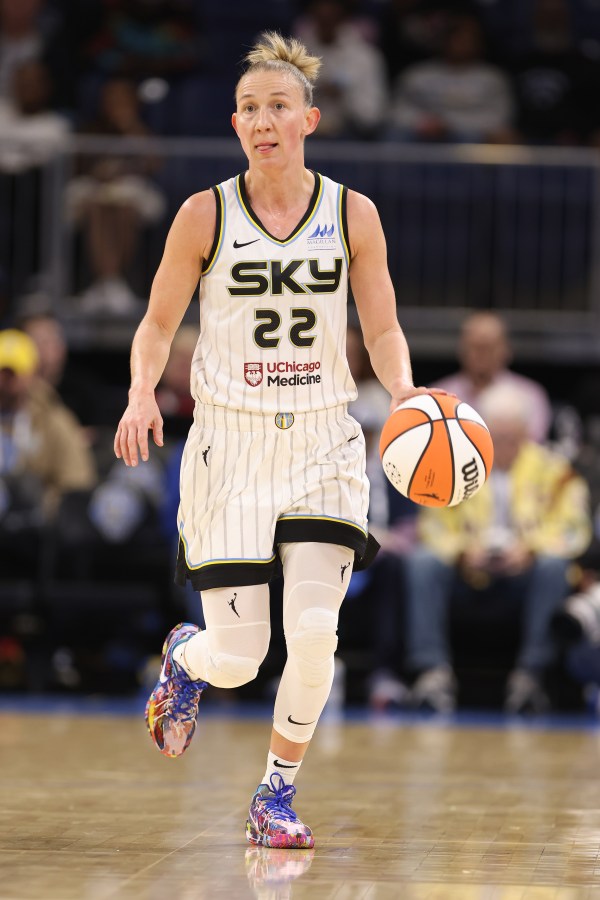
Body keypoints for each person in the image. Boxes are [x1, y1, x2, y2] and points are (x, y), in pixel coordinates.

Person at [114, 31, 434, 849]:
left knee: (318, 631)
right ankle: (187, 658)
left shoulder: (351, 213)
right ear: (235, 125)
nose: (264, 119)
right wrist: (141, 390)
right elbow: (157, 324)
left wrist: (403, 394)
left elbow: (385, 325)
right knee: (240, 657)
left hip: (326, 440)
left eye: (278, 106)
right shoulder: (203, 214)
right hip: (230, 444)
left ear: (309, 120)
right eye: (250, 108)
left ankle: (274, 796)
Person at [403, 383, 591, 715]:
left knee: (553, 566)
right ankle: (432, 673)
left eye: (511, 438)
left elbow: (574, 529)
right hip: (466, 575)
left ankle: (531, 677)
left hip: (524, 578)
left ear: (526, 433)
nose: (503, 446)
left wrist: (530, 550)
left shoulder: (555, 471)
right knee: (422, 562)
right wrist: (462, 552)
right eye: (496, 437)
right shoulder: (452, 462)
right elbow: (430, 524)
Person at [386, 13, 514, 144]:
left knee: (501, 137)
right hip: (423, 135)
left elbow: (499, 117)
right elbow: (398, 111)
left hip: (472, 137)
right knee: (395, 134)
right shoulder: (418, 74)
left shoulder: (492, 78)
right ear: (444, 40)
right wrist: (423, 123)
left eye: (468, 39)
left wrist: (451, 125)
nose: (462, 44)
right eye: (456, 38)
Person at [433, 311, 553, 444]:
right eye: (475, 347)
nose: (482, 355)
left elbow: (531, 448)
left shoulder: (530, 396)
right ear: (462, 349)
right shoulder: (438, 395)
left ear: (506, 349)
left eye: (489, 347)